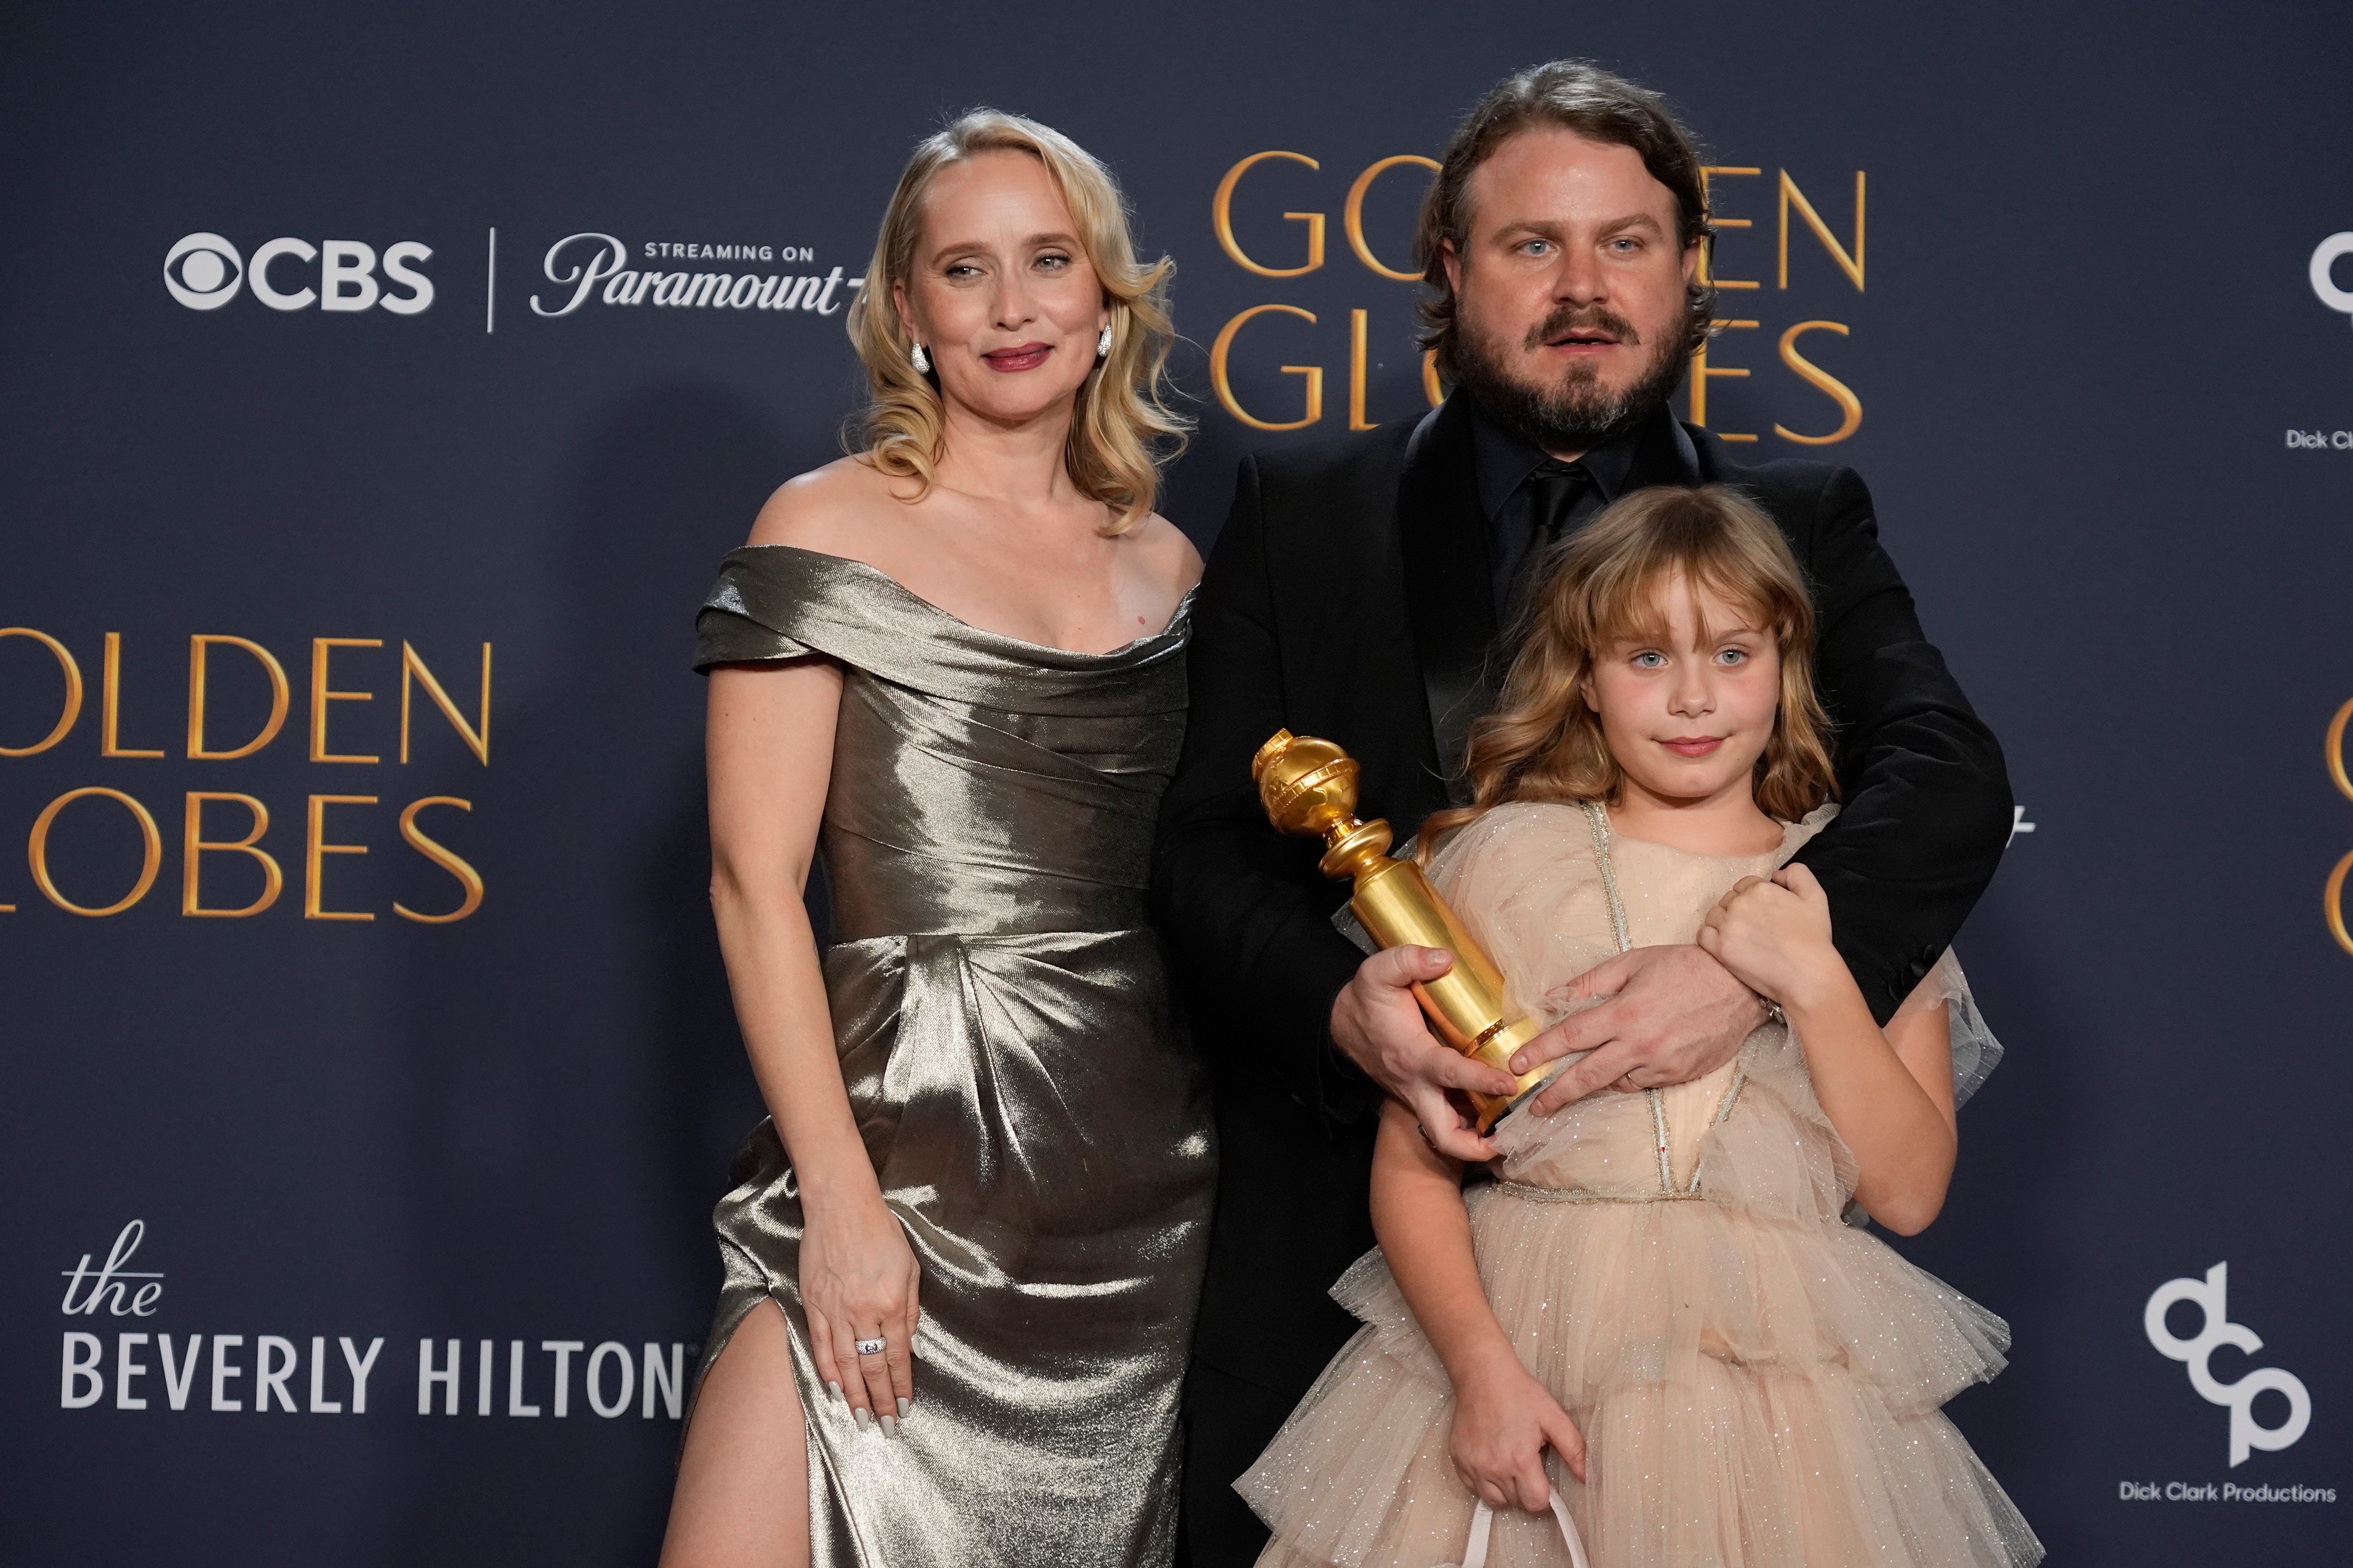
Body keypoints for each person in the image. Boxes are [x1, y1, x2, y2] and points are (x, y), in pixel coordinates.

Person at [1152, 60, 2013, 1564]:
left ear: (1689, 270)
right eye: (1532, 245)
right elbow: (1204, 846)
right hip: (1346, 1294)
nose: (1583, 286)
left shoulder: (1803, 533)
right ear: (1448, 270)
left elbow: (1948, 773)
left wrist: (1750, 968)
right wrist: (1345, 1011)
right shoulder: (1304, 518)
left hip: (1728, 1365)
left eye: (1626, 242)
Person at [1238, 485, 2041, 1568]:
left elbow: (1907, 1190)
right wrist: (1482, 1375)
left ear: (1788, 664)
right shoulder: (1501, 864)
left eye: (1734, 654)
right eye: (1647, 658)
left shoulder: (1845, 896)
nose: (1695, 699)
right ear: (1585, 680)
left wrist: (1815, 980)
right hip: (1526, 1357)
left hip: (1778, 1410)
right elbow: (1415, 1166)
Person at [661, 111, 1211, 1568]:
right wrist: (840, 1207)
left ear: (1107, 298)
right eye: (966, 271)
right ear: (908, 311)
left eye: (1050, 262)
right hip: (892, 1139)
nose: (1014, 307)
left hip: (1132, 1178)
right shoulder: (827, 527)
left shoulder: (1167, 558)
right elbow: (750, 886)